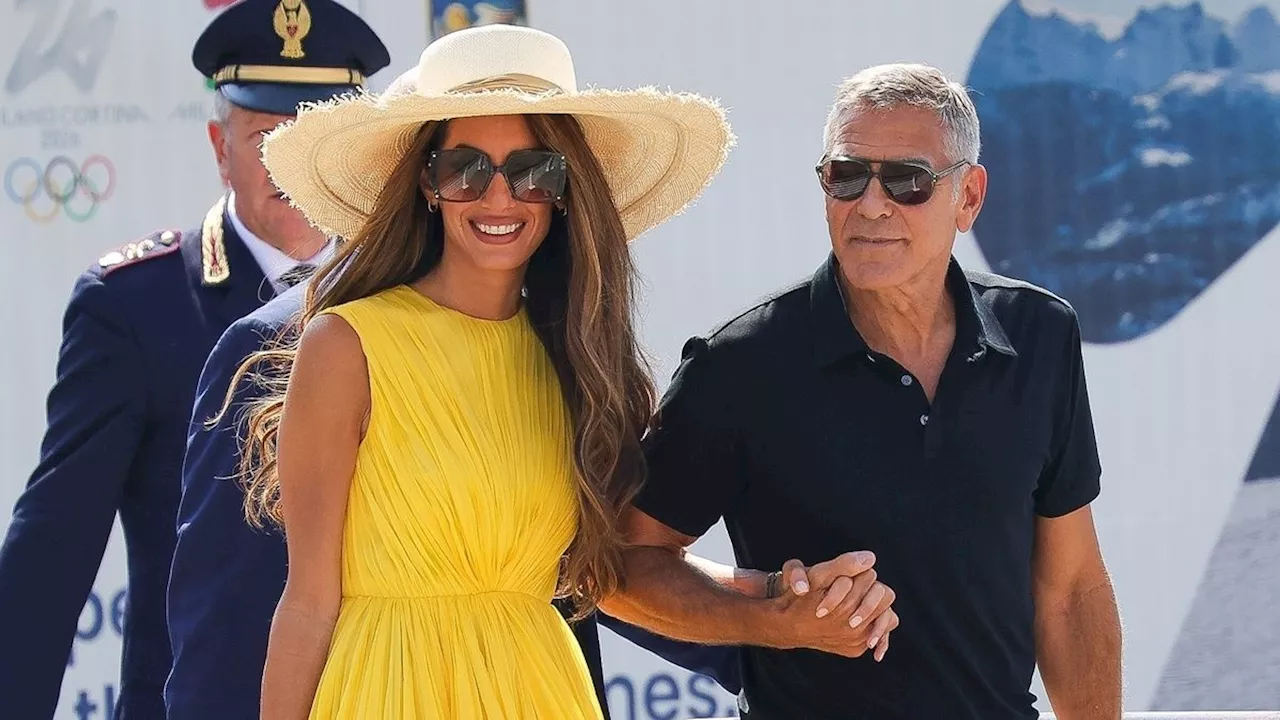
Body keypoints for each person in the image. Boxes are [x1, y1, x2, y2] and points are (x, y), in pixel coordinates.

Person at [231, 24, 894, 720]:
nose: (498, 197)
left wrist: (777, 599)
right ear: (428, 184)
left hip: (539, 690)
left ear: (563, 190)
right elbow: (307, 605)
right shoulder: (348, 344)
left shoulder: (574, 361)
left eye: (531, 171)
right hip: (385, 693)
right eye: (465, 168)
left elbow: (612, 573)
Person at [601, 63, 1123, 719]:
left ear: (969, 197)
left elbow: (1072, 590)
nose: (871, 205)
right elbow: (620, 568)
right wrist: (772, 616)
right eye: (847, 176)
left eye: (907, 181)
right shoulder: (741, 365)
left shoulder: (1041, 335)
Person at [0, 1, 390, 718]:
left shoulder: (411, 300)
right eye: (267, 136)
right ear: (219, 146)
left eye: (316, 138)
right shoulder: (134, 307)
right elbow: (55, 547)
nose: (292, 165)